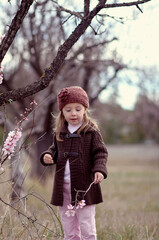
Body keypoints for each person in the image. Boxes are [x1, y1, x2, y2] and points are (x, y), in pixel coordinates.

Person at [40, 86, 108, 240]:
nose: (73, 113)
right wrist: (47, 155)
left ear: (85, 109)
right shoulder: (60, 132)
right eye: (68, 110)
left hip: (84, 189)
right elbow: (53, 150)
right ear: (62, 112)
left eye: (78, 109)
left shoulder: (91, 132)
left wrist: (99, 170)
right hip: (63, 189)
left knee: (87, 228)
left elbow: (101, 152)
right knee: (69, 230)